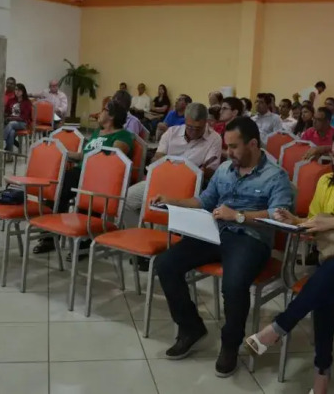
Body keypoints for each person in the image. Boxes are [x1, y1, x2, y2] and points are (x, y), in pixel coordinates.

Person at [245, 127, 334, 394]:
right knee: (327, 289)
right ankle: (321, 372)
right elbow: (314, 221)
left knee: (327, 278)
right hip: (332, 261)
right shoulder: (326, 182)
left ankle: (279, 328)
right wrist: (296, 221)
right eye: (333, 155)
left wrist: (329, 222)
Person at [152, 116, 293, 377]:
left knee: (234, 284)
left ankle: (230, 344)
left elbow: (279, 215)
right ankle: (191, 327)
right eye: (227, 146)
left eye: (234, 147)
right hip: (215, 232)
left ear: (253, 144)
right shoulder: (226, 169)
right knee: (165, 264)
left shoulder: (276, 176)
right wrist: (171, 201)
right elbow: (204, 201)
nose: (228, 152)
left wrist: (239, 216)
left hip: (251, 238)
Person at [32, 100, 134, 254]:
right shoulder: (97, 132)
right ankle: (50, 235)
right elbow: (83, 155)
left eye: (103, 110)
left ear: (112, 115)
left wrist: (91, 162)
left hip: (99, 176)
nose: (100, 113)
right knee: (58, 185)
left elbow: (114, 160)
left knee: (78, 189)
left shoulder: (123, 136)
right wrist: (63, 153)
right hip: (82, 171)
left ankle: (84, 238)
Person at [123, 102, 222, 237]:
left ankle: (157, 244)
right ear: (185, 120)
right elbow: (158, 158)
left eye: (198, 128)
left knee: (162, 210)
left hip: (188, 187)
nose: (193, 131)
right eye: (190, 127)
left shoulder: (214, 139)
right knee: (126, 199)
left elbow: (209, 171)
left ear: (206, 122)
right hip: (162, 179)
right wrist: (160, 162)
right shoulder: (171, 133)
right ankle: (139, 235)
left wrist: (201, 171)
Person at [3, 83, 32, 155]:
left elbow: (24, 117)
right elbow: (6, 112)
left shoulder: (27, 102)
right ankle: (9, 155)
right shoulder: (11, 101)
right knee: (12, 132)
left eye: (19, 90)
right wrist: (6, 117)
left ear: (23, 92)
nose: (17, 92)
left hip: (23, 123)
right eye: (16, 90)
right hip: (11, 122)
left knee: (11, 124)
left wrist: (11, 118)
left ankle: (2, 139)